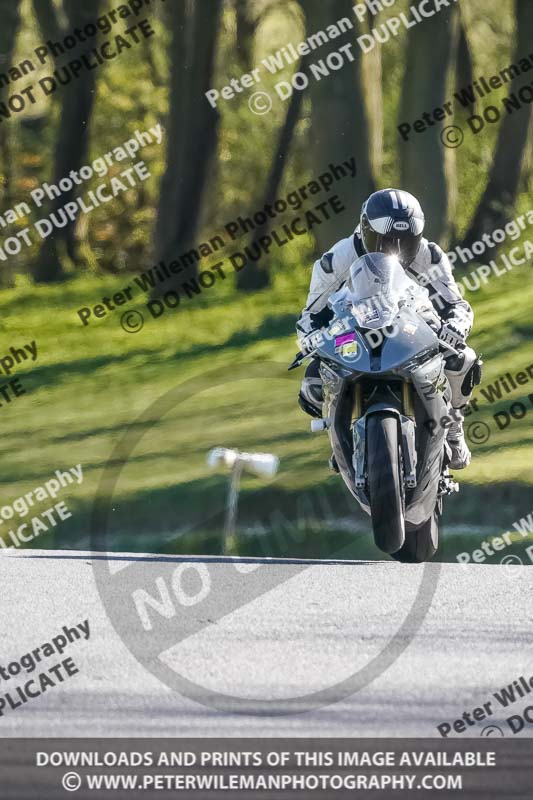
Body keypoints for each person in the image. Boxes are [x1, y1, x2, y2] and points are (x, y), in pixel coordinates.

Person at [296, 188, 481, 470]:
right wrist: (311, 342)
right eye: (386, 240)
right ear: (364, 229)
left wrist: (455, 326)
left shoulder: (430, 257)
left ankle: (453, 424)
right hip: (353, 330)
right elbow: (311, 315)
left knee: (463, 359)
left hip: (413, 327)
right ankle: (340, 434)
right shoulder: (336, 261)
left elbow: (455, 304)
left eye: (407, 241)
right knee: (313, 380)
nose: (396, 249)